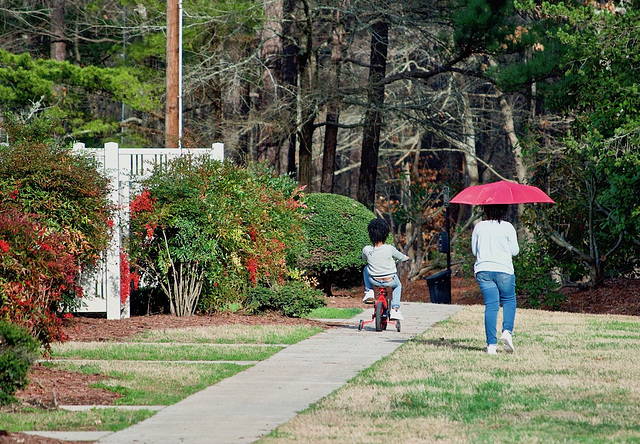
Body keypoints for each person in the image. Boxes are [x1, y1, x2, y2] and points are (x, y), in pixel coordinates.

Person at [471, 204, 519, 355]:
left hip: (483, 270)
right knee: (509, 300)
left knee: (491, 306)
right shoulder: (507, 227)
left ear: (485, 210)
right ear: (504, 210)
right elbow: (515, 251)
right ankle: (506, 332)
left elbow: (474, 251)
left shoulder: (479, 227)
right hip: (504, 269)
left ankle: (491, 345)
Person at [361, 218, 409, 320]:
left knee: (366, 269)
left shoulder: (366, 249)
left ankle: (369, 291)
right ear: (385, 234)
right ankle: (395, 309)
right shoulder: (389, 248)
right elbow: (401, 257)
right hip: (389, 280)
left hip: (374, 280)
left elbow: (364, 258)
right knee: (398, 285)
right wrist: (406, 258)